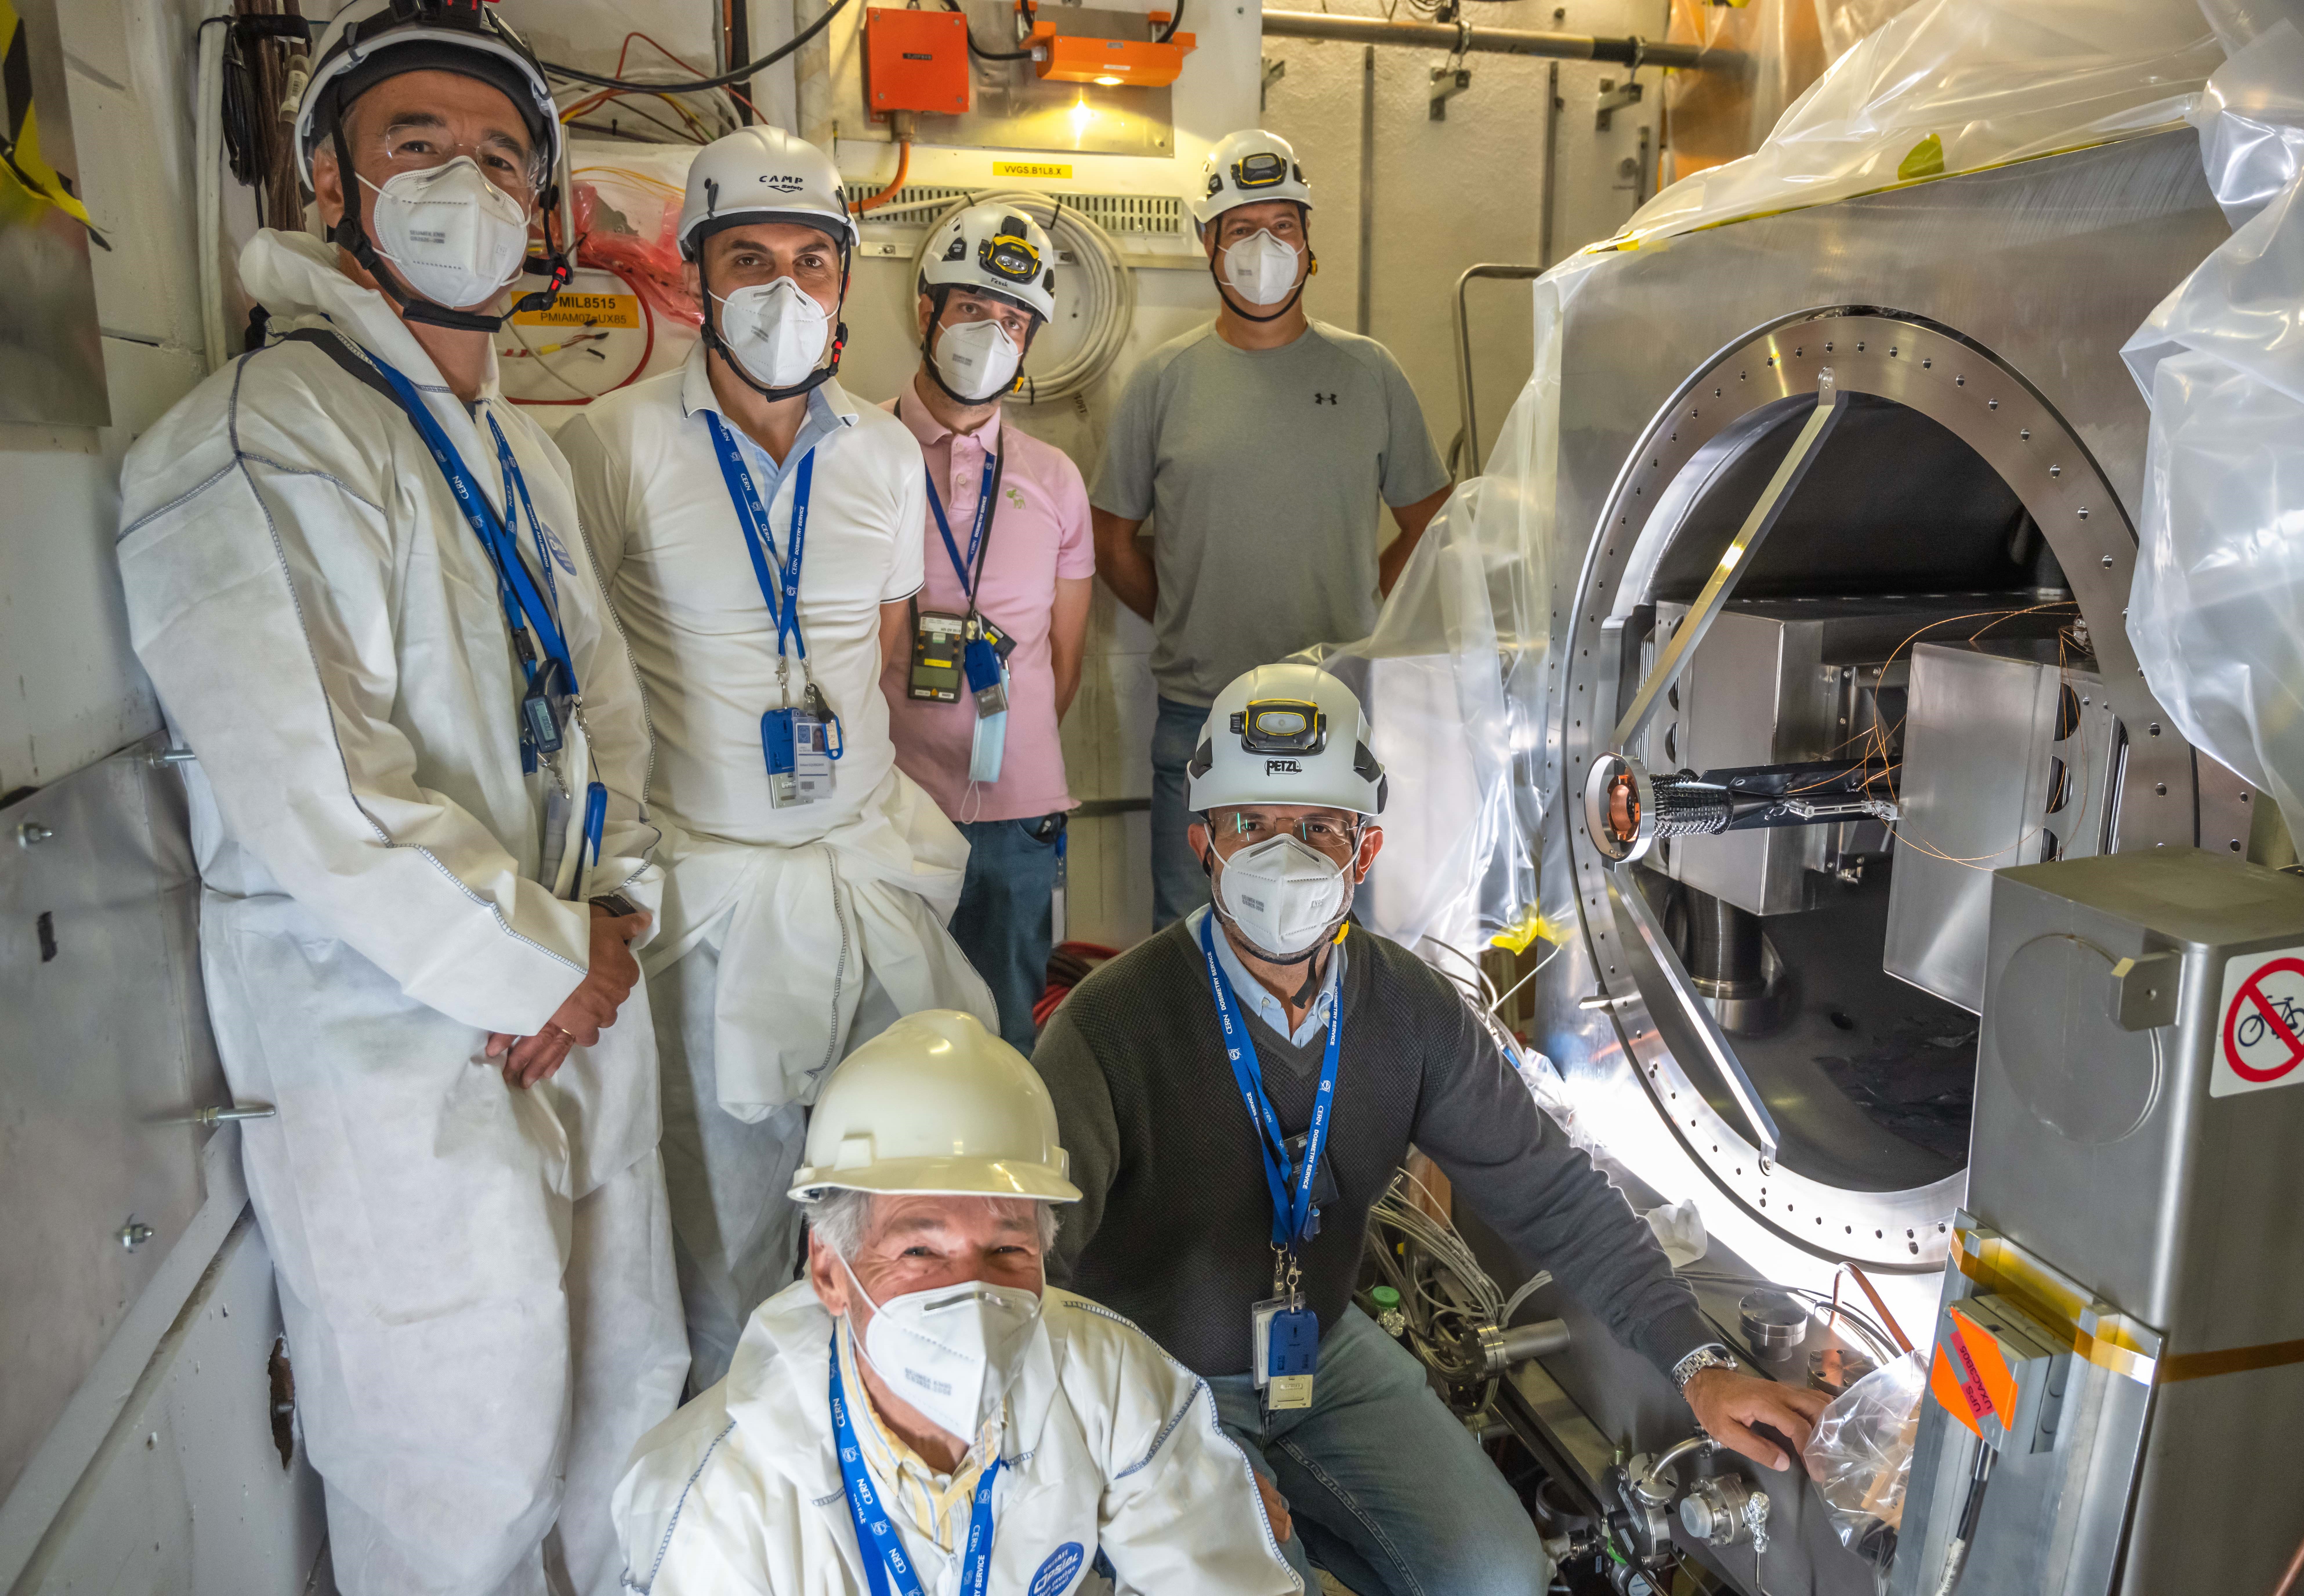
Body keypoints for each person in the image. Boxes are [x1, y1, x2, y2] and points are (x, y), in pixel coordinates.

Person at [114, 4, 687, 1591]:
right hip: (400, 1055)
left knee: (622, 1415)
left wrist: (619, 914)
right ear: (327, 184)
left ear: (547, 208)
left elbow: (607, 721)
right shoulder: (256, 437)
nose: (466, 183)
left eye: (504, 155)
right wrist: (554, 964)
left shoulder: (517, 450)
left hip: (578, 1006)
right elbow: (325, 802)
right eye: (416, 146)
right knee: (459, 1472)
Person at [1032, 663, 1830, 1596]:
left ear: (1365, 851)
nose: (1284, 857)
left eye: (1319, 829)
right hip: (1156, 1377)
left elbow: (1554, 1191)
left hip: (1320, 1351)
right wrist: (1149, 1451)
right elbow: (1027, 1274)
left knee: (1498, 1576)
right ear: (1203, 839)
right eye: (1252, 824)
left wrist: (1697, 1364)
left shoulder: (1409, 1008)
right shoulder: (1108, 1025)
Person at [556, 126, 996, 1392]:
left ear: (846, 280)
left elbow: (883, 646)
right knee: (729, 1232)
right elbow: (580, 679)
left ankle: (901, 1440)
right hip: (713, 901)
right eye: (747, 258)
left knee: (909, 1191)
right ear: (695, 273)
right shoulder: (613, 444)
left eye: (813, 260)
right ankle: (743, 1488)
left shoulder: (885, 459)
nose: (782, 291)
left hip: (866, 873)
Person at [613, 1009, 1304, 1595]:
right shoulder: (716, 1502)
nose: (972, 1296)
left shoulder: (1109, 1377)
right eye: (921, 1252)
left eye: (1007, 1251)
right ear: (828, 1271)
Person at [1087, 129, 1453, 927]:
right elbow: (1110, 536)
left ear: (1310, 242)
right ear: (1209, 245)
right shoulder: (1163, 382)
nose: (1265, 247)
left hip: (1339, 708)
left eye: (1284, 226)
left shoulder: (1369, 374)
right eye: (1242, 229)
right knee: (1192, 943)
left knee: (1337, 938)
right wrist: (1187, 616)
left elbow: (1429, 519)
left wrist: (1361, 620)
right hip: (1199, 714)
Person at [877, 203, 1095, 1053]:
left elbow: (1065, 659)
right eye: (973, 310)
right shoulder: (860, 449)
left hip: (1015, 812)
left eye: (1014, 321)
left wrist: (1003, 736)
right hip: (889, 801)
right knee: (891, 1029)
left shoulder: (1054, 477)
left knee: (1003, 1031)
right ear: (927, 310)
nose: (992, 335)